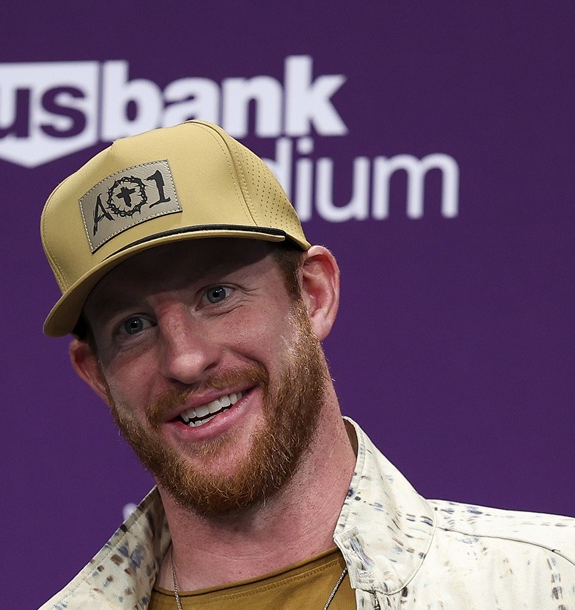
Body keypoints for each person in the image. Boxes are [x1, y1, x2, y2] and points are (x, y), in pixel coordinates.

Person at [37, 120, 575, 609]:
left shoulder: (543, 584)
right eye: (133, 326)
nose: (185, 358)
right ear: (95, 373)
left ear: (313, 295)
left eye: (217, 294)